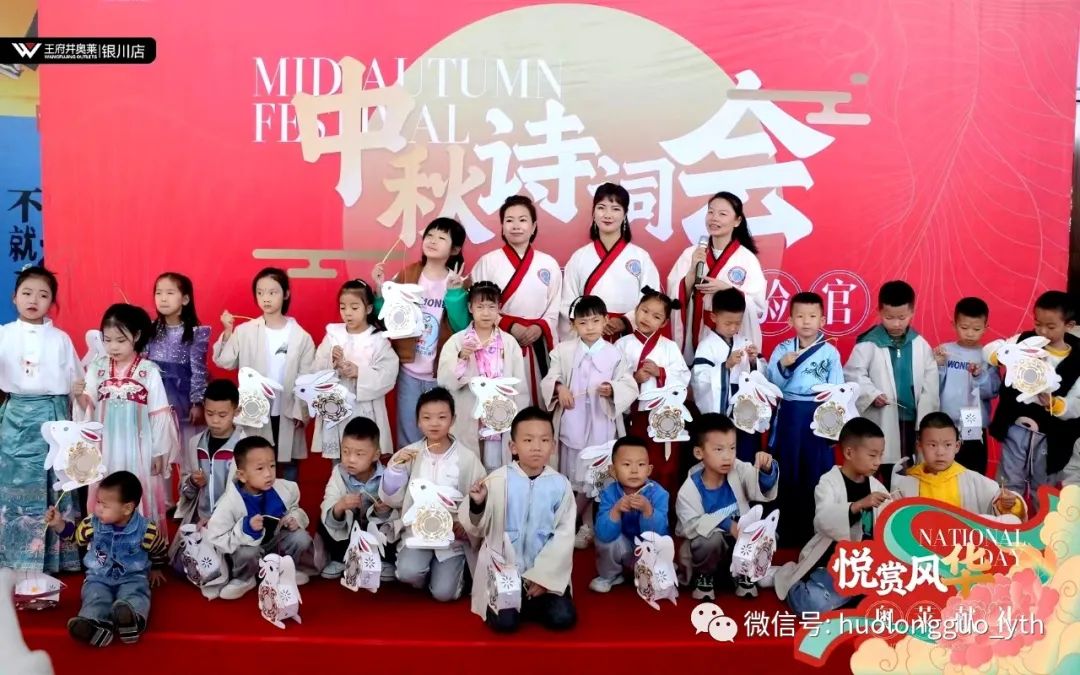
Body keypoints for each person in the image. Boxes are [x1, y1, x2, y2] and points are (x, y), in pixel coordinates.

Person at [461, 407, 577, 632]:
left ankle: (534, 597)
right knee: (505, 625)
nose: (536, 447)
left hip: (544, 575)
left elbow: (564, 536)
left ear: (553, 446)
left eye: (544, 440)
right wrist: (478, 503)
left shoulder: (560, 485)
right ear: (513, 447)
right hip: (505, 572)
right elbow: (475, 526)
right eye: (528, 440)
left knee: (563, 618)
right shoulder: (497, 480)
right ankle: (516, 603)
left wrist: (543, 578)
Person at [0, 266, 83, 572]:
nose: (33, 300)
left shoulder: (61, 339)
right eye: (27, 293)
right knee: (13, 482)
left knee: (54, 481)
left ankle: (54, 558)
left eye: (43, 295)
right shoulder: (3, 334)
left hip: (53, 416)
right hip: (15, 417)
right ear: (14, 297)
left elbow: (78, 383)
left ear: (52, 302)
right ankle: (13, 556)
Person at [541, 295, 639, 549]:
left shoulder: (615, 354)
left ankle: (583, 524)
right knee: (574, 475)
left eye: (596, 321)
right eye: (583, 323)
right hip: (573, 420)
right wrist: (560, 388)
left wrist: (613, 389)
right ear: (574, 325)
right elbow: (551, 378)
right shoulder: (563, 351)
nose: (590, 327)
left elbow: (629, 384)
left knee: (596, 478)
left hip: (601, 423)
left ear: (606, 321)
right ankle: (571, 522)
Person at [379, 387, 486, 602]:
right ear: (418, 421)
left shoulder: (467, 458)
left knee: (444, 594)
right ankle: (424, 571)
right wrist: (395, 472)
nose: (434, 423)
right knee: (408, 573)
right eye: (427, 417)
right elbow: (392, 499)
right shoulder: (408, 454)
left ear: (453, 419)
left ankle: (452, 572)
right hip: (417, 532)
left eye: (442, 417)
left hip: (451, 538)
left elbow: (479, 498)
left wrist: (465, 523)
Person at [773, 418, 889, 615]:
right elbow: (823, 520)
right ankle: (789, 579)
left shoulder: (877, 487)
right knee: (812, 605)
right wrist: (857, 506)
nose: (878, 462)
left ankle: (853, 594)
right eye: (872, 455)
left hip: (865, 565)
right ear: (849, 453)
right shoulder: (828, 482)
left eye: (880, 455)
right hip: (831, 563)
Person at [373, 218, 470, 447]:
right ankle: (408, 471)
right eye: (430, 235)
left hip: (442, 373)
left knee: (442, 435)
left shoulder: (459, 282)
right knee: (408, 435)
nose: (433, 241)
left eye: (442, 238)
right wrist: (379, 291)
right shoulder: (408, 274)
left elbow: (462, 328)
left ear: (455, 249)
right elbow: (387, 319)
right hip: (409, 371)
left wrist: (454, 294)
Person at [214, 267, 315, 481]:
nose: (265, 298)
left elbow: (307, 377)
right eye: (260, 293)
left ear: (286, 294)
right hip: (255, 410)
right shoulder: (246, 331)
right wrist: (228, 331)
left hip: (287, 411)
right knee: (254, 464)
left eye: (272, 292)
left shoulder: (301, 337)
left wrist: (301, 410)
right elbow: (225, 361)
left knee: (287, 465)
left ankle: (286, 503)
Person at [82, 304, 179, 527]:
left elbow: (159, 413)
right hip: (105, 444)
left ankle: (140, 539)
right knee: (104, 481)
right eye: (107, 340)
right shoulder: (97, 367)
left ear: (136, 336)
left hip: (139, 446)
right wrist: (79, 396)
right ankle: (102, 537)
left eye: (120, 340)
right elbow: (87, 406)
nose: (112, 346)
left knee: (137, 485)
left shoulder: (149, 370)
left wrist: (158, 452)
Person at [46, 471, 168, 647]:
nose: (98, 509)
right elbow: (75, 537)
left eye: (104, 505)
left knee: (135, 594)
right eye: (97, 502)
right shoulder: (91, 524)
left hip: (132, 577)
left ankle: (132, 620)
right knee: (94, 597)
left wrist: (156, 568)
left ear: (127, 508)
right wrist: (59, 524)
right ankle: (94, 626)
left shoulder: (146, 530)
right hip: (98, 577)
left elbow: (159, 549)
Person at [765, 291, 844, 546]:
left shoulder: (830, 353)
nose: (806, 321)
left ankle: (815, 531)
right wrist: (782, 365)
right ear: (790, 320)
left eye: (812, 316)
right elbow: (770, 385)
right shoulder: (782, 349)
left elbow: (837, 391)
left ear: (822, 320)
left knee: (816, 471)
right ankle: (783, 529)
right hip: (789, 412)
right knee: (787, 468)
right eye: (800, 316)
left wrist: (833, 426)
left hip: (818, 414)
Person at [843, 281, 938, 483]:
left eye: (902, 318)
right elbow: (853, 374)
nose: (896, 324)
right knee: (876, 466)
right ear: (879, 312)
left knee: (908, 469)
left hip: (911, 420)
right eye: (889, 317)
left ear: (912, 312)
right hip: (881, 419)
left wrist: (926, 417)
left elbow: (930, 384)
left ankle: (902, 500)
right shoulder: (869, 343)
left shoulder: (920, 344)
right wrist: (872, 394)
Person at [675, 413, 778, 600]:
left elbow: (758, 485)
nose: (727, 456)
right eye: (719, 449)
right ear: (699, 453)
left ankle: (743, 574)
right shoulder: (690, 488)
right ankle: (704, 577)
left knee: (765, 533)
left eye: (732, 448)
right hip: (709, 551)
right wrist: (727, 524)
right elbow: (691, 525)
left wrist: (765, 469)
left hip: (738, 544)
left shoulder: (738, 468)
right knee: (709, 541)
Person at [471, 195, 562, 406]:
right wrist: (509, 325)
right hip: (499, 342)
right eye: (509, 220)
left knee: (537, 403)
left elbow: (555, 306)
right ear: (502, 227)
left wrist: (539, 327)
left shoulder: (548, 263)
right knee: (502, 403)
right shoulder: (488, 262)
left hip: (537, 342)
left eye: (523, 220)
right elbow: (478, 305)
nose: (516, 226)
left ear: (533, 226)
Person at [989, 291, 1080, 497]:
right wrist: (999, 356)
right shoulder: (1025, 340)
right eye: (1038, 324)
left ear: (1069, 325)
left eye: (1051, 327)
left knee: (1044, 489)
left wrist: (1056, 404)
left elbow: (1077, 401)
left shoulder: (1077, 358)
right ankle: (1007, 515)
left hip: (1051, 437)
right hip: (1017, 429)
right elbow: (996, 348)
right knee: (1008, 482)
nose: (1043, 331)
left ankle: (1045, 519)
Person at [206, 436, 313, 601]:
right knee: (248, 551)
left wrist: (294, 518)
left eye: (272, 466)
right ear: (242, 475)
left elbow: (294, 508)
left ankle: (283, 569)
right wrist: (245, 528)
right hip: (248, 548)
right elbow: (216, 537)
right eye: (260, 468)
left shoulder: (284, 488)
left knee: (301, 537)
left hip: (274, 542)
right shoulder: (229, 503)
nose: (269, 474)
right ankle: (245, 578)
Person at [437, 281, 528, 470]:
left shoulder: (509, 343)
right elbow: (444, 381)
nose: (486, 313)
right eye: (480, 307)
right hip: (468, 414)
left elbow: (519, 387)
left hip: (500, 416)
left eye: (491, 307)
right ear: (470, 308)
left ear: (499, 308)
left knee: (496, 469)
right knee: (468, 467)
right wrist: (462, 357)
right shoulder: (457, 341)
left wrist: (518, 420)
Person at [667, 191, 766, 363]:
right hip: (696, 326)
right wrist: (692, 271)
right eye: (711, 212)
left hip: (730, 331)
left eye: (722, 214)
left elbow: (757, 305)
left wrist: (727, 289)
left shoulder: (747, 259)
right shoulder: (691, 253)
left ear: (737, 221)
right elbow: (674, 298)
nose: (714, 218)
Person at [559, 183, 661, 341]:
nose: (607, 215)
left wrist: (625, 321)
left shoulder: (641, 257)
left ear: (625, 214)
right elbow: (568, 302)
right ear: (593, 213)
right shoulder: (579, 257)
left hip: (629, 339)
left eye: (615, 209)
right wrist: (591, 324)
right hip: (589, 339)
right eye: (601, 208)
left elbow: (652, 301)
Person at [614, 287, 690, 495]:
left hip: (665, 416)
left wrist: (661, 372)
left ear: (664, 323)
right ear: (636, 310)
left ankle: (664, 508)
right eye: (644, 311)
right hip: (635, 415)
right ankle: (633, 505)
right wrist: (634, 379)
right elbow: (615, 380)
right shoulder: (622, 345)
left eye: (656, 316)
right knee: (635, 462)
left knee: (665, 464)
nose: (647, 318)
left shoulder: (670, 347)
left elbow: (683, 377)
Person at [312, 279, 398, 458]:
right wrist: (331, 360)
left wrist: (360, 373)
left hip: (365, 408)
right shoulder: (333, 335)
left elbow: (388, 373)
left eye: (354, 307)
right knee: (339, 455)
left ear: (368, 309)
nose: (348, 313)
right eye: (343, 307)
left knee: (364, 455)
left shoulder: (377, 340)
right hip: (336, 405)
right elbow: (316, 369)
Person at [892, 413, 1025, 519]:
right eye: (932, 445)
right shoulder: (905, 484)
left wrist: (1008, 504)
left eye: (947, 445)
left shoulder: (974, 481)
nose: (940, 452)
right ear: (919, 446)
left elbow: (1000, 506)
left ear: (957, 446)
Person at [690, 288, 766, 462]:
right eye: (728, 323)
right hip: (721, 406)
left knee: (745, 453)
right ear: (714, 317)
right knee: (720, 453)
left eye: (737, 323)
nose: (733, 328)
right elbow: (700, 380)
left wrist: (753, 361)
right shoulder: (707, 346)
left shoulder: (744, 342)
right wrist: (726, 366)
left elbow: (761, 376)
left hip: (745, 408)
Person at [144, 272, 210, 472]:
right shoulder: (149, 330)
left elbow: (198, 370)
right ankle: (160, 492)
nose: (163, 298)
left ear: (185, 299)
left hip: (183, 397)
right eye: (158, 293)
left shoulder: (196, 332)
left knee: (188, 454)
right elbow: (142, 364)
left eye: (170, 293)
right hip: (155, 397)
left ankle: (188, 490)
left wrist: (197, 403)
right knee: (157, 451)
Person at [318, 417, 395, 580]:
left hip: (374, 531)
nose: (350, 459)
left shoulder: (387, 476)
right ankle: (340, 558)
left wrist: (383, 510)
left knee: (393, 521)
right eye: (345, 452)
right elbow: (329, 500)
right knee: (326, 514)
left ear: (375, 455)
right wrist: (339, 506)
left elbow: (395, 509)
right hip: (349, 531)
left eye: (359, 454)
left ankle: (384, 559)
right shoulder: (339, 473)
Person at [589, 436, 669, 593]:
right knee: (605, 540)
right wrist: (616, 510)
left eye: (641, 464)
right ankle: (610, 575)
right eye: (626, 464)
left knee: (660, 553)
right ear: (613, 470)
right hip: (624, 547)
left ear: (649, 470)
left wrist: (648, 510)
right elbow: (603, 533)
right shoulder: (609, 493)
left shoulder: (659, 493)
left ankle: (654, 571)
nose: (634, 470)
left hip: (648, 549)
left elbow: (660, 534)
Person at [934, 297, 1000, 475]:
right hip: (945, 423)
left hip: (974, 425)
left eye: (976, 329)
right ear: (954, 324)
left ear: (986, 328)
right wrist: (938, 366)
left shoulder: (988, 356)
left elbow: (993, 391)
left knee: (973, 474)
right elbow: (932, 387)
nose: (970, 333)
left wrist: (979, 375)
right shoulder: (945, 351)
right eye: (964, 328)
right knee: (943, 472)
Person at [174, 379, 245, 527]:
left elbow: (253, 490)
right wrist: (192, 482)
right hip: (200, 520)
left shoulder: (245, 445)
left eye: (222, 415)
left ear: (236, 411)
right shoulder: (195, 444)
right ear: (204, 407)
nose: (215, 421)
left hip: (234, 522)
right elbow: (184, 490)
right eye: (209, 413)